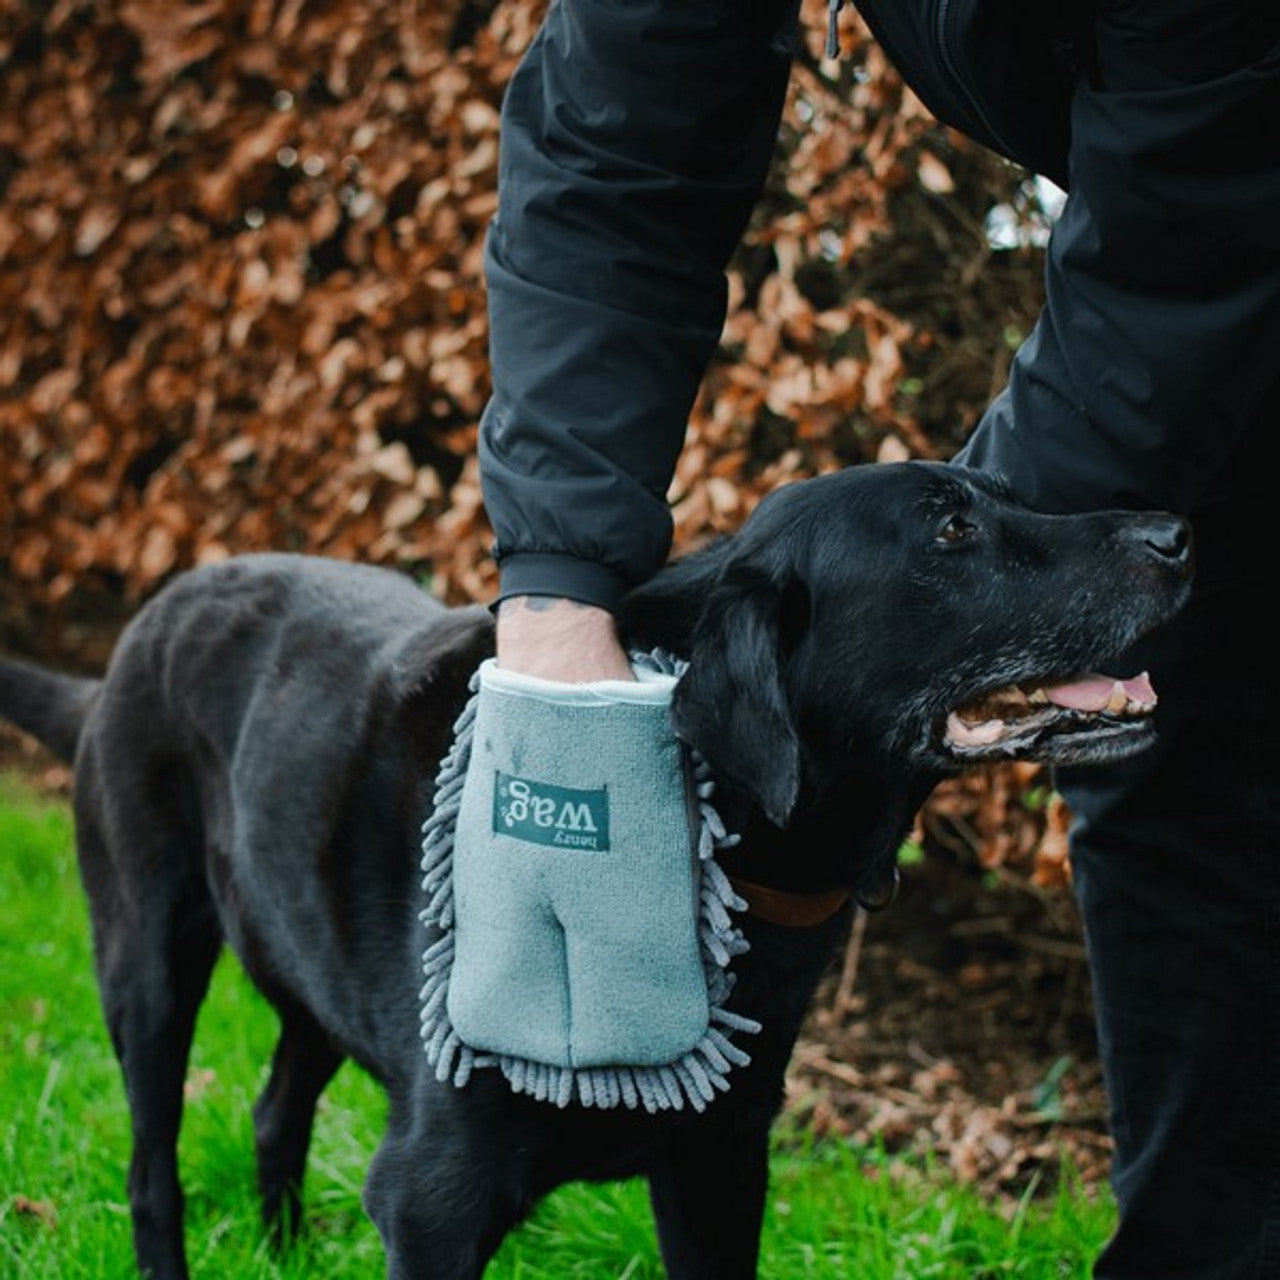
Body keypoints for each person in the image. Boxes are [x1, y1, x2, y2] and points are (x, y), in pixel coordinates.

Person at [474, 2, 1280, 1274]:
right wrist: (556, 590)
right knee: (1161, 748)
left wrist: (941, 610)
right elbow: (615, 152)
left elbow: (1179, 231)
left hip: (1221, 198)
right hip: (1217, 228)